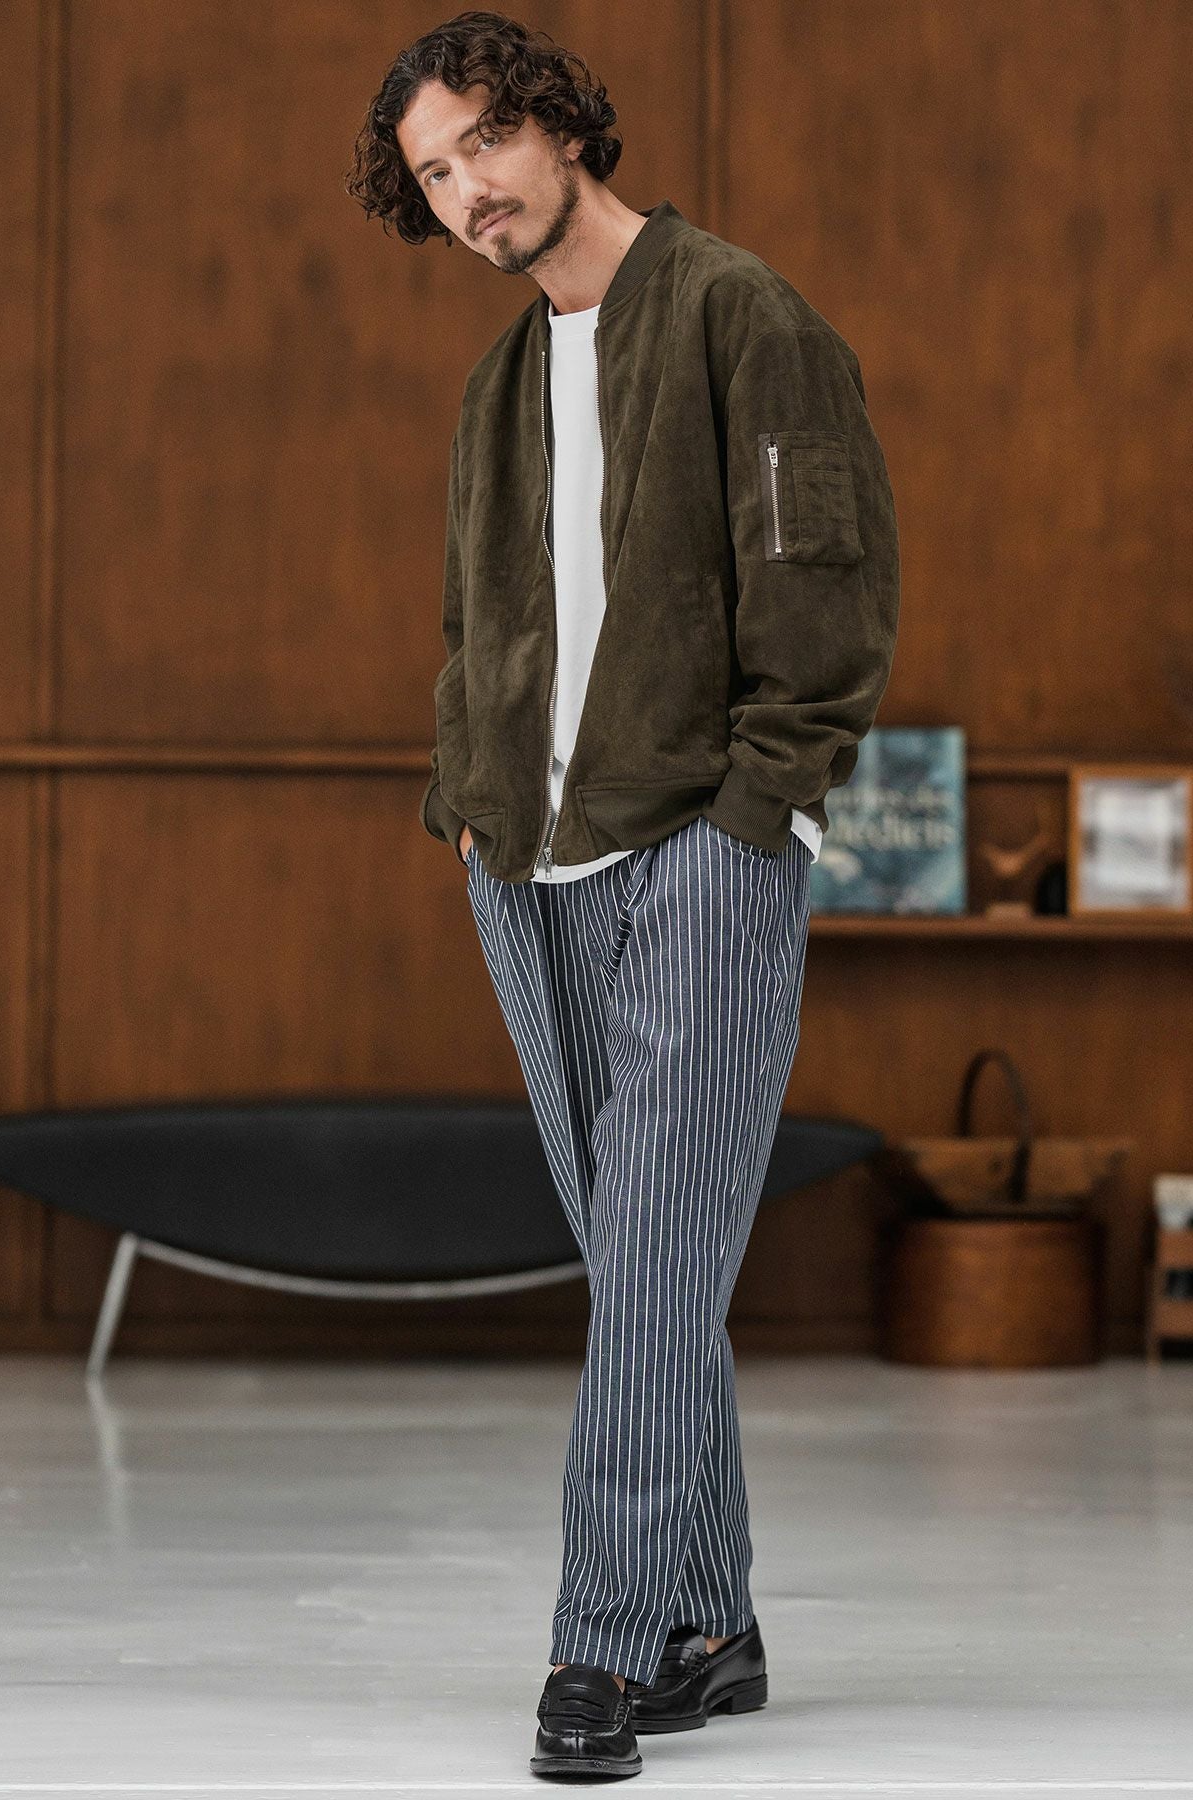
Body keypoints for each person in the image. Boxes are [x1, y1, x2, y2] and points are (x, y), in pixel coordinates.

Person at [348, 10, 899, 1780]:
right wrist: (468, 802)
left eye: (485, 143)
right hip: (528, 866)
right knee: (644, 1262)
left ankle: (597, 1648)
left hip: (703, 852)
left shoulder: (745, 317)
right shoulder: (500, 385)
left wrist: (757, 818)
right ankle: (711, 1627)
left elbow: (827, 593)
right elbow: (476, 629)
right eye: (435, 174)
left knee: (654, 1256)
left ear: (563, 123)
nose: (469, 192)